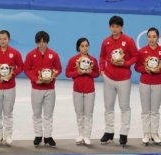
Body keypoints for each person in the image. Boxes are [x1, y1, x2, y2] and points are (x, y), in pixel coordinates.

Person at [99, 16, 138, 146]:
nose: (114, 28)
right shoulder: (106, 41)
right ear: (109, 27)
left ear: (122, 27)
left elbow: (136, 56)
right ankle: (109, 132)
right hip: (109, 78)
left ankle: (123, 133)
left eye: (117, 26)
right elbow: (102, 56)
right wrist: (102, 70)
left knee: (124, 107)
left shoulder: (128, 41)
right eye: (112, 26)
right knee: (108, 106)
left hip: (124, 79)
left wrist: (126, 63)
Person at [24, 31, 62, 148]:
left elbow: (59, 69)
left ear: (47, 42)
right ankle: (38, 135)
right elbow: (26, 70)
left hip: (50, 89)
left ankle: (48, 136)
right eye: (39, 41)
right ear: (36, 42)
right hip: (36, 88)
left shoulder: (53, 55)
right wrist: (35, 79)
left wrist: (52, 76)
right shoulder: (30, 55)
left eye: (44, 41)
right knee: (36, 114)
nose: (41, 44)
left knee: (48, 115)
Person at [0, 30, 23, 147]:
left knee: (8, 112)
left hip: (10, 87)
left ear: (9, 39)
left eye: (5, 38)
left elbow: (21, 66)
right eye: (0, 38)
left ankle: (8, 134)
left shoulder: (15, 53)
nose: (2, 41)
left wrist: (11, 75)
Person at [65, 38, 99, 145]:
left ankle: (87, 135)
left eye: (86, 45)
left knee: (88, 114)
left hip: (90, 91)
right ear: (78, 47)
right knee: (79, 114)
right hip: (77, 90)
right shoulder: (73, 60)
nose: (85, 48)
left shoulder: (93, 60)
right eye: (82, 46)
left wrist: (90, 72)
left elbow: (97, 74)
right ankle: (81, 134)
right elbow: (67, 73)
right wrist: (77, 72)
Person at [135, 27, 161, 146]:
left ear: (158, 38)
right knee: (145, 110)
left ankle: (155, 133)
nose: (151, 39)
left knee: (155, 111)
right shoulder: (142, 51)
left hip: (157, 83)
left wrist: (158, 70)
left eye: (154, 37)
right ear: (146, 38)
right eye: (149, 36)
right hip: (144, 83)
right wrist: (144, 69)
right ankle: (146, 133)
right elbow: (137, 67)